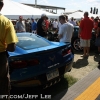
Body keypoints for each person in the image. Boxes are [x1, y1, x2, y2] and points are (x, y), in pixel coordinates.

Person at [0, 0, 18, 99]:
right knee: (3, 85)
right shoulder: (5, 21)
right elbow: (11, 47)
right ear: (1, 6)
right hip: (0, 58)